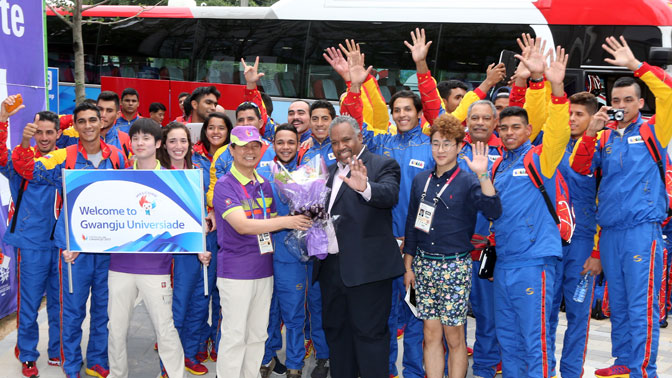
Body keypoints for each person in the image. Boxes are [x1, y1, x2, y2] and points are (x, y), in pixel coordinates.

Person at [570, 36, 672, 378]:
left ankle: (644, 369)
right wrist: (590, 132)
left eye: (629, 100)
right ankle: (624, 362)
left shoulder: (654, 130)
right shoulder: (603, 136)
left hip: (643, 231)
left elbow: (670, 91)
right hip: (610, 232)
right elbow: (580, 169)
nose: (622, 105)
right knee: (621, 304)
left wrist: (635, 65)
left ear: (641, 103)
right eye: (616, 100)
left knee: (642, 305)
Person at [12, 101, 129, 378]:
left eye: (93, 120)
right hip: (73, 249)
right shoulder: (63, 155)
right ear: (74, 127)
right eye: (82, 121)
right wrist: (24, 136)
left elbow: (126, 195)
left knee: (103, 309)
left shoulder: (117, 156)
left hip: (107, 247)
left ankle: (97, 359)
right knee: (71, 312)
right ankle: (71, 363)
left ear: (102, 122)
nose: (88, 126)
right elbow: (27, 167)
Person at [107, 118, 209, 378]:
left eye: (146, 138)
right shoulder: (118, 179)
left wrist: (199, 248)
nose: (140, 143)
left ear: (157, 143)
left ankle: (175, 374)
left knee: (165, 328)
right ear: (130, 143)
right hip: (120, 266)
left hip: (157, 269)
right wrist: (78, 244)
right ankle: (118, 374)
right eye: (135, 138)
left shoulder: (174, 181)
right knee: (116, 329)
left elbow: (185, 223)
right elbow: (104, 220)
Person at [491, 43, 570, 377]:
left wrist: (553, 86)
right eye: (504, 128)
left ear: (527, 131)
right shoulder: (497, 167)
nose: (509, 134)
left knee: (534, 342)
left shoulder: (540, 158)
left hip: (534, 263)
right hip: (505, 265)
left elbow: (558, 131)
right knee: (508, 342)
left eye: (516, 128)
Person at [404, 114, 501, 378]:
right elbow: (413, 224)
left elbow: (494, 209)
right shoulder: (420, 180)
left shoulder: (468, 181)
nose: (440, 150)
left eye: (447, 144)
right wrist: (408, 265)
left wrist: (483, 174)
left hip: (454, 267)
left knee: (454, 336)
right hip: (423, 265)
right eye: (436, 143)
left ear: (460, 147)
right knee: (430, 333)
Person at [212, 125, 311, 378]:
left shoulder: (265, 184)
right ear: (231, 150)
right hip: (236, 273)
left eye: (255, 146)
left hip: (264, 270)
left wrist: (308, 212)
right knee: (235, 335)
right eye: (243, 146)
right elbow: (243, 226)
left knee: (258, 334)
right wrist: (288, 221)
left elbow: (272, 221)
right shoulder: (225, 185)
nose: (250, 151)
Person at [314, 115, 403, 378]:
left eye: (346, 139)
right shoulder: (327, 173)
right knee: (337, 334)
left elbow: (389, 194)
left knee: (370, 338)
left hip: (368, 274)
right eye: (334, 142)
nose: (340, 146)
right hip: (331, 270)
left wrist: (365, 188)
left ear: (360, 137)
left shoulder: (382, 164)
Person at [260, 124, 330, 378]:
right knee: (274, 310)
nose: (286, 147)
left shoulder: (310, 172)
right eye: (280, 142)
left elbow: (321, 207)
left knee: (304, 310)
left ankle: (297, 364)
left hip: (306, 254)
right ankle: (268, 357)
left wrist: (316, 216)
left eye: (291, 142)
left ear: (299, 142)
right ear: (273, 144)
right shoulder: (264, 174)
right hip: (274, 254)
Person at [0, 97, 62, 378]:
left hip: (62, 244)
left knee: (61, 302)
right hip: (31, 244)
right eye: (39, 132)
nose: (45, 137)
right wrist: (3, 119)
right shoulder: (18, 160)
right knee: (30, 302)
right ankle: (27, 354)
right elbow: (1, 156)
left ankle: (58, 349)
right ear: (32, 133)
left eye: (50, 132)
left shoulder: (65, 160)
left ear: (58, 134)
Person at [544, 91, 602, 378]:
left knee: (579, 315)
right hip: (552, 241)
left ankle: (571, 372)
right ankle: (546, 370)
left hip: (582, 244)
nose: (572, 118)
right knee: (546, 312)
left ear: (593, 118)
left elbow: (607, 202)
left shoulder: (601, 149)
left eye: (579, 114)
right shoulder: (553, 145)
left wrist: (596, 252)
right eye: (569, 113)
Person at [155, 121, 213, 375]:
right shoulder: (157, 172)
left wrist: (210, 214)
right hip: (172, 251)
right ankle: (169, 363)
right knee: (176, 308)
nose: (178, 147)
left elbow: (210, 201)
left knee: (199, 304)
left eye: (183, 141)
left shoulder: (200, 169)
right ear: (164, 145)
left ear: (190, 144)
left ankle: (189, 354)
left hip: (201, 247)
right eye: (172, 141)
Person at [191, 112, 233, 363]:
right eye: (211, 127)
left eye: (221, 128)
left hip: (227, 232)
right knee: (200, 292)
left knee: (221, 292)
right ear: (204, 130)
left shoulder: (235, 155)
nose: (216, 132)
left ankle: (218, 342)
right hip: (201, 232)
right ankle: (197, 342)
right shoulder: (193, 155)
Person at [206, 101, 277, 209]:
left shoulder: (274, 151)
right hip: (232, 217)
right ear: (236, 125)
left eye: (250, 119)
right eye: (241, 120)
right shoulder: (222, 154)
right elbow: (213, 192)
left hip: (268, 218)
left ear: (261, 123)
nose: (245, 124)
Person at [58, 91, 133, 157]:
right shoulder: (76, 133)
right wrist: (78, 117)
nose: (103, 114)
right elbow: (52, 126)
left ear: (118, 115)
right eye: (100, 109)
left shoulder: (125, 139)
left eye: (109, 111)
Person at [301, 100, 338, 166]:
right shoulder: (304, 149)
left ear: (333, 121)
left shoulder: (340, 147)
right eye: (315, 119)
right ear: (310, 122)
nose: (319, 124)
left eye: (325, 119)